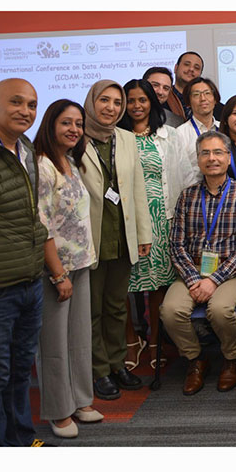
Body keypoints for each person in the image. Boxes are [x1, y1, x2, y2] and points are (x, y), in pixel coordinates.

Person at [0, 79, 48, 446]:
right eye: (16, 102)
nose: (25, 111)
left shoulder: (25, 148)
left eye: (32, 105)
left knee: (21, 371)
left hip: (29, 281)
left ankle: (21, 440)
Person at [161, 131, 236, 396]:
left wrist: (214, 280)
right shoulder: (187, 197)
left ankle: (231, 359)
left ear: (228, 158)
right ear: (198, 159)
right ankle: (195, 359)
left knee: (221, 309)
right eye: (205, 153)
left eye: (218, 153)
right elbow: (176, 245)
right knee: (170, 310)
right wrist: (194, 279)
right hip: (192, 271)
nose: (211, 158)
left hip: (233, 271)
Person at [33, 99, 103, 438]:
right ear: (50, 125)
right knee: (53, 344)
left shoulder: (70, 163)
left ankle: (79, 400)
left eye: (78, 123)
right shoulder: (42, 165)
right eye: (66, 123)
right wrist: (58, 273)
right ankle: (58, 411)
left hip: (80, 263)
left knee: (78, 338)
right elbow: (41, 224)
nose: (74, 129)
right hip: (55, 269)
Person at [80, 80, 151, 400]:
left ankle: (118, 362)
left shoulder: (124, 137)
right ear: (91, 102)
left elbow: (137, 187)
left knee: (116, 306)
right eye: (104, 101)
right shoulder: (74, 138)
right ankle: (99, 370)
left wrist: (143, 232)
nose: (111, 107)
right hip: (90, 237)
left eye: (116, 102)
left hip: (122, 234)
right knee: (92, 309)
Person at [118, 79, 194, 372]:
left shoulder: (169, 135)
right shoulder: (118, 136)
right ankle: (130, 340)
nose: (137, 106)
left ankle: (154, 340)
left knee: (158, 285)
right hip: (128, 219)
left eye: (143, 100)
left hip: (163, 219)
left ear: (152, 102)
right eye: (132, 100)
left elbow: (186, 176)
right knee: (125, 285)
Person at [174, 77, 221, 181]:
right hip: (193, 194)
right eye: (196, 94)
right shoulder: (179, 134)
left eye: (207, 93)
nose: (203, 98)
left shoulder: (224, 129)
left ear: (215, 99)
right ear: (188, 102)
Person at [171, 51, 224, 121]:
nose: (191, 69)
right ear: (176, 68)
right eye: (186, 64)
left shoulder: (216, 108)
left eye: (196, 68)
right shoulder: (164, 99)